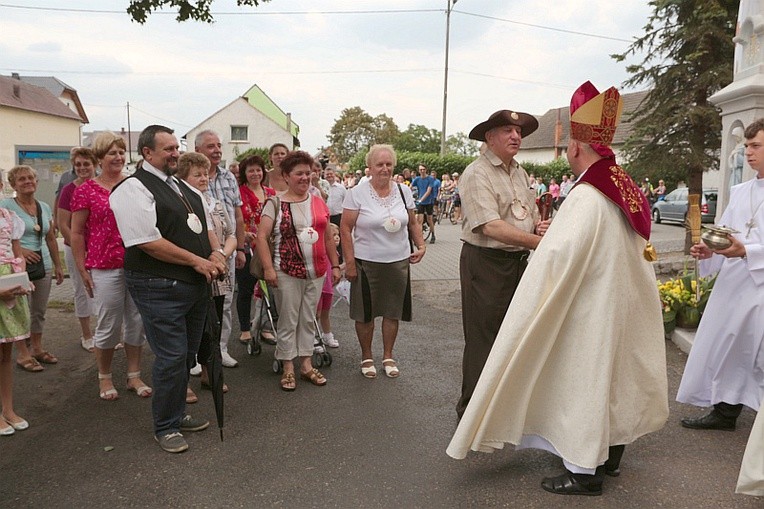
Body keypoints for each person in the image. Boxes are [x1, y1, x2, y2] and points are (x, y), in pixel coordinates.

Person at [447, 81, 669, 497]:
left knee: (583, 375)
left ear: (575, 149)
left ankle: (585, 470)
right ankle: (611, 451)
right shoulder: (621, 185)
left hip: (589, 307)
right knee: (612, 376)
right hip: (614, 301)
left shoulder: (586, 195)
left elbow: (557, 258)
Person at [110, 125, 227, 453]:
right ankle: (165, 426)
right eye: (168, 149)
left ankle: (176, 414)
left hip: (193, 287)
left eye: (177, 148)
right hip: (157, 286)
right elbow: (146, 242)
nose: (176, 153)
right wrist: (197, 262)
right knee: (172, 356)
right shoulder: (132, 189)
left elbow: (205, 228)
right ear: (147, 153)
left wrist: (216, 253)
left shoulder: (183, 187)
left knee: (186, 354)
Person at [454, 110, 548, 419]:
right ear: (489, 137)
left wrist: (539, 229)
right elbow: (490, 226)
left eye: (518, 131)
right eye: (508, 130)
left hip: (517, 262)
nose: (516, 136)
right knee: (484, 339)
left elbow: (526, 218)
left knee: (513, 337)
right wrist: (539, 243)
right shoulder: (477, 173)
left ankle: (500, 412)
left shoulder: (519, 172)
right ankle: (472, 415)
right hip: (486, 263)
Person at [677, 117, 764, 432]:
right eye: (747, 146)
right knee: (729, 348)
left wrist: (748, 252)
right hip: (733, 285)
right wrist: (710, 250)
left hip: (760, 286)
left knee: (756, 353)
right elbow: (724, 232)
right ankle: (724, 412)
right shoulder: (741, 191)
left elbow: (744, 245)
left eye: (756, 146)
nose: (749, 153)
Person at [71, 131, 150, 401]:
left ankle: (134, 374)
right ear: (99, 158)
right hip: (104, 266)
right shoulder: (85, 191)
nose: (117, 157)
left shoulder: (134, 185)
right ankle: (104, 377)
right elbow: (77, 233)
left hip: (137, 263)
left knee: (136, 322)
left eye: (120, 152)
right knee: (108, 324)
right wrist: (82, 269)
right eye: (111, 153)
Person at [255, 151, 340, 391]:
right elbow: (261, 237)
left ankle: (305, 364)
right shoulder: (275, 202)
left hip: (316, 271)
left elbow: (327, 237)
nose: (305, 177)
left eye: (308, 173)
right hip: (286, 271)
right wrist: (269, 268)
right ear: (286, 176)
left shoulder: (318, 201)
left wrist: (335, 265)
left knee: (307, 318)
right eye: (299, 173)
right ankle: (287, 367)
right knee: (288, 319)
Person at [340, 145, 426, 379]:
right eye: (380, 164)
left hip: (398, 261)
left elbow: (412, 222)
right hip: (366, 262)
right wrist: (349, 263)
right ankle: (367, 356)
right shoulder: (356, 193)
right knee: (365, 314)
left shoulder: (403, 191)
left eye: (389, 164)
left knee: (392, 312)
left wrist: (421, 245)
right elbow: (345, 228)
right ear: (370, 167)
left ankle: (388, 355)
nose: (385, 169)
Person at [177, 153, 237, 400]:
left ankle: (208, 373)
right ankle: (182, 383)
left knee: (212, 327)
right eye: (197, 175)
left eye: (205, 174)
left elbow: (231, 233)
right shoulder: (179, 203)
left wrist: (221, 254)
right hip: (192, 273)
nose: (203, 179)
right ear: (183, 178)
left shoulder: (216, 204)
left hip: (218, 274)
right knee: (189, 330)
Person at [1, 166, 64, 373]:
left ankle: (37, 347)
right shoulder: (6, 206)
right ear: (13, 184)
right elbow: (5, 237)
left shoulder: (44, 207)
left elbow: (50, 237)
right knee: (20, 310)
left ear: (36, 181)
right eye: (21, 179)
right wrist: (23, 250)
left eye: (31, 178)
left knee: (38, 311)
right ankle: (23, 353)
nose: (27, 182)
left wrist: (57, 265)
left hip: (43, 265)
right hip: (17, 268)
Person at [194, 129, 246, 369]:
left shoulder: (228, 177)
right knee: (197, 305)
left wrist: (239, 249)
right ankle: (195, 356)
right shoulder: (187, 178)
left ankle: (220, 349)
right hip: (197, 255)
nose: (216, 150)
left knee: (224, 303)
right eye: (210, 146)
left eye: (218, 145)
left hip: (227, 251)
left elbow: (237, 215)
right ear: (197, 151)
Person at [56, 147, 95, 352]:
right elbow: (63, 224)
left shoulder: (101, 187)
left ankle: (106, 333)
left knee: (104, 291)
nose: (82, 168)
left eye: (86, 164)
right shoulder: (68, 190)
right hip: (75, 247)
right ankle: (87, 334)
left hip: (99, 248)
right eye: (78, 164)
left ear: (95, 164)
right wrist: (80, 248)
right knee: (81, 290)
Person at [0, 181, 32, 435]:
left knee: (4, 356)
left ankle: (8, 409)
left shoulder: (9, 217)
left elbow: (17, 254)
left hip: (8, 285)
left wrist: (22, 279)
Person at [236, 154, 275, 344]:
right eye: (250, 170)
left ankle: (264, 326)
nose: (255, 173)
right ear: (244, 173)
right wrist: (244, 235)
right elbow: (237, 219)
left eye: (258, 169)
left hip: (269, 245)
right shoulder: (238, 193)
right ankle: (245, 328)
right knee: (246, 288)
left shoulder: (271, 193)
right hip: (247, 245)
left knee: (268, 289)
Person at [411, 164, 437, 244]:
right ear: (418, 171)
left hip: (428, 201)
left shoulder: (430, 179)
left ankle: (433, 234)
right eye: (420, 169)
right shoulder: (417, 179)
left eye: (423, 169)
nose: (422, 171)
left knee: (429, 219)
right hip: (420, 202)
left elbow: (428, 191)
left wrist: (421, 199)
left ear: (426, 170)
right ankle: (419, 237)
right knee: (419, 220)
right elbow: (410, 187)